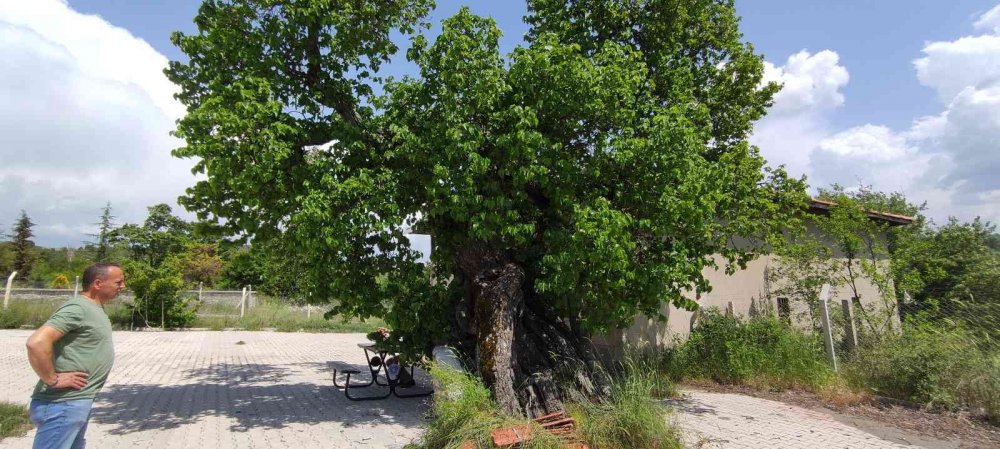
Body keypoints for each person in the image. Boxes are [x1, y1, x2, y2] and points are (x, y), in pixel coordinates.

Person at [25, 263, 125, 449]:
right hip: (63, 404)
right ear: (98, 283)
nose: (122, 286)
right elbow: (37, 342)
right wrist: (52, 379)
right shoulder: (78, 308)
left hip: (75, 401)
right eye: (118, 282)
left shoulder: (94, 307)